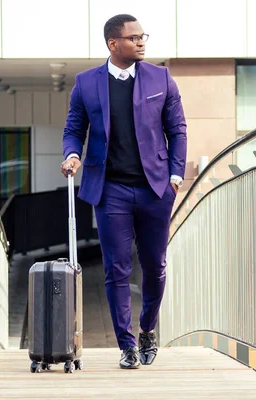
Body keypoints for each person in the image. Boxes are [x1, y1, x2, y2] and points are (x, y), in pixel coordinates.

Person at [60, 13, 187, 369]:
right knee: (116, 270)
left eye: (143, 36)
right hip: (109, 189)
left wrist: (175, 176)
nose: (142, 42)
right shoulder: (86, 84)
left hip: (155, 188)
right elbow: (74, 128)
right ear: (113, 44)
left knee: (155, 266)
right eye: (134, 38)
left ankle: (148, 329)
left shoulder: (161, 78)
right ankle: (127, 345)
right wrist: (72, 155)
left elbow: (177, 130)